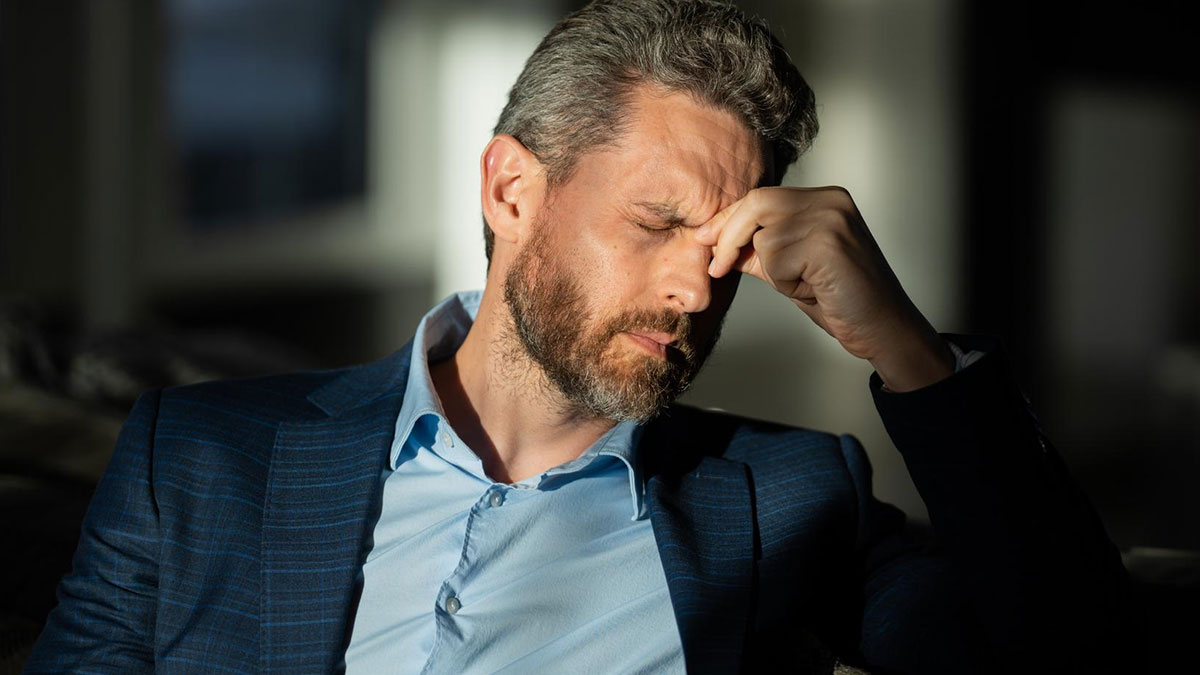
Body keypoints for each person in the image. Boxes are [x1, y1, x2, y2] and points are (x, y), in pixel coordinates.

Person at [26, 0, 1137, 672]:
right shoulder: (200, 457)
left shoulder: (790, 499)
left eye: (727, 250)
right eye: (657, 225)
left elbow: (1067, 651)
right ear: (513, 189)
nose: (696, 293)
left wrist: (909, 350)